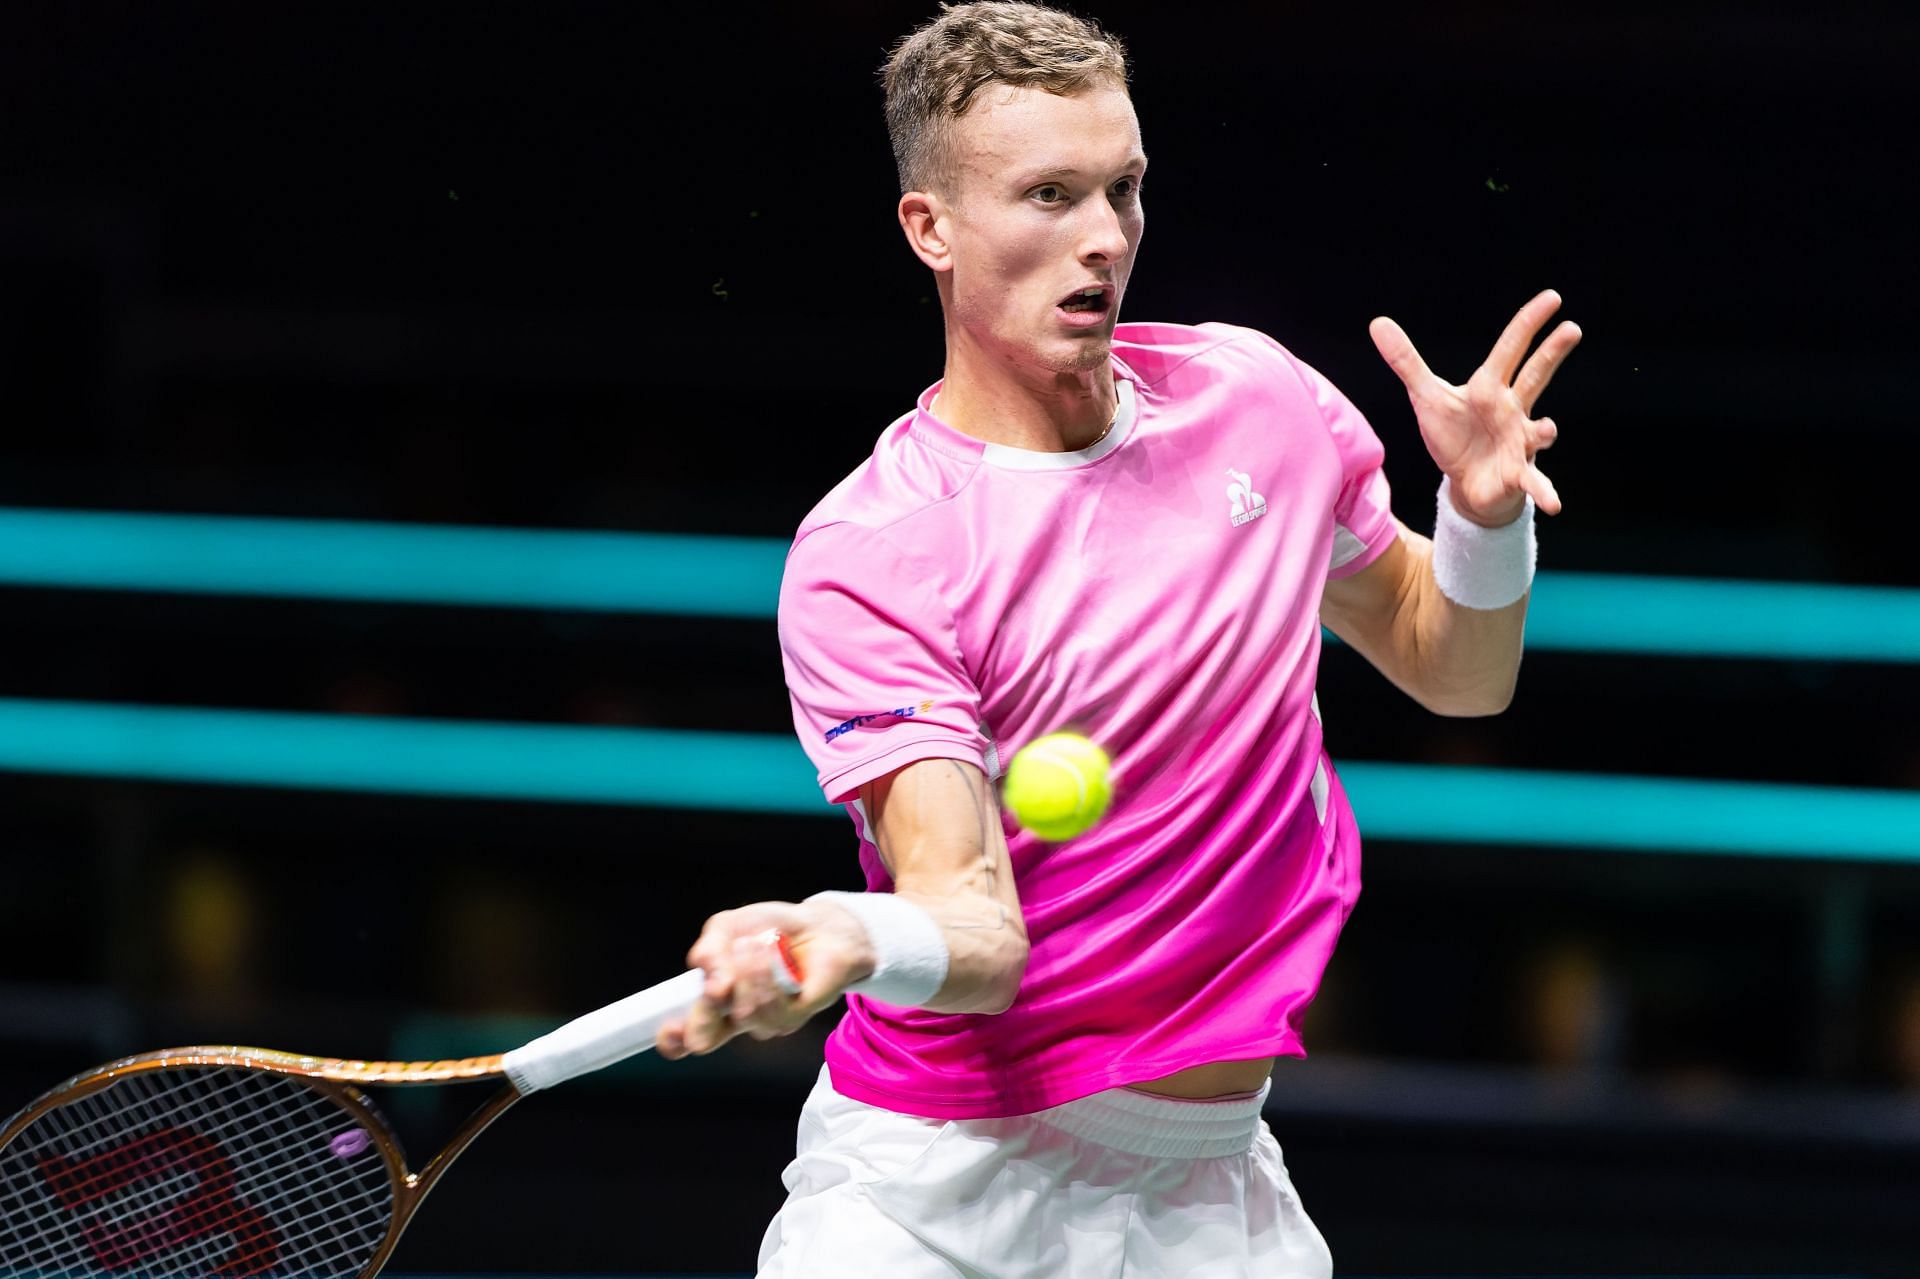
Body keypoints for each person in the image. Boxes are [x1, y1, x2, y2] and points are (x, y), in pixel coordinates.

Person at [656, 3, 1579, 1274]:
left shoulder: (1255, 404)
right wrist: (850, 933)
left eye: (1123, 188)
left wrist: (1479, 523)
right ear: (931, 228)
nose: (1104, 240)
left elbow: (1458, 670)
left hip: (1212, 1196)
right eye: (1047, 194)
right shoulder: (879, 551)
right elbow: (974, 936)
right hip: (936, 1197)